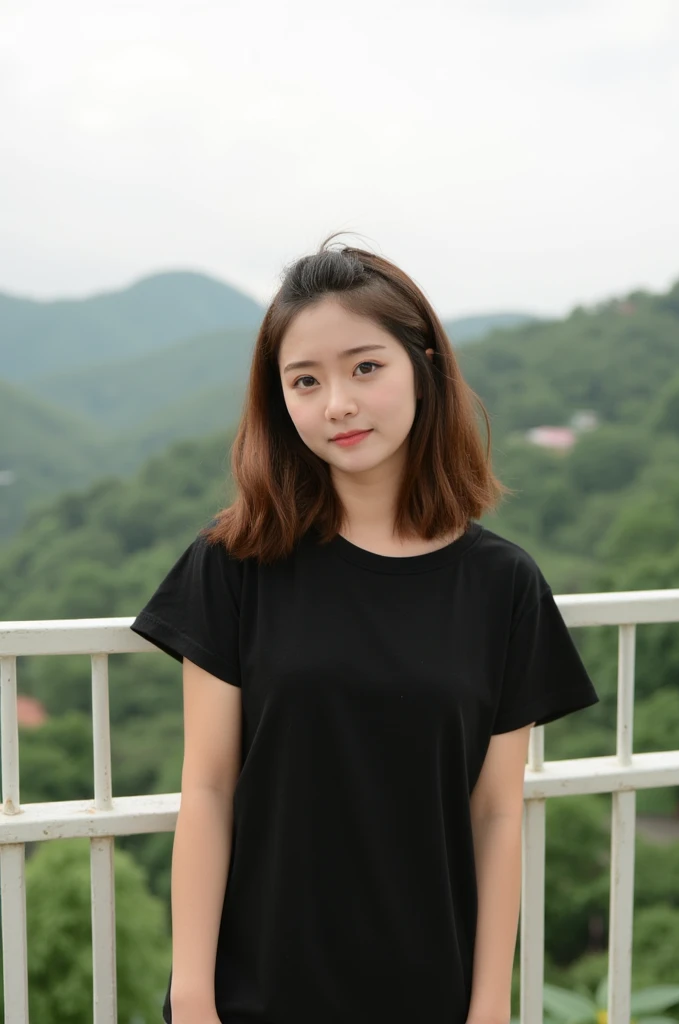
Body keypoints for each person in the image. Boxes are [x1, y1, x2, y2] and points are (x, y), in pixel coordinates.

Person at [131, 233, 599, 1024]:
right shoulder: (236, 562)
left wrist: (489, 1009)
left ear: (425, 366)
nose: (337, 403)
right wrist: (195, 999)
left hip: (430, 994)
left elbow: (496, 815)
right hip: (257, 996)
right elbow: (208, 789)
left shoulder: (502, 586)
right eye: (304, 380)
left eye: (365, 367)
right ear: (278, 400)